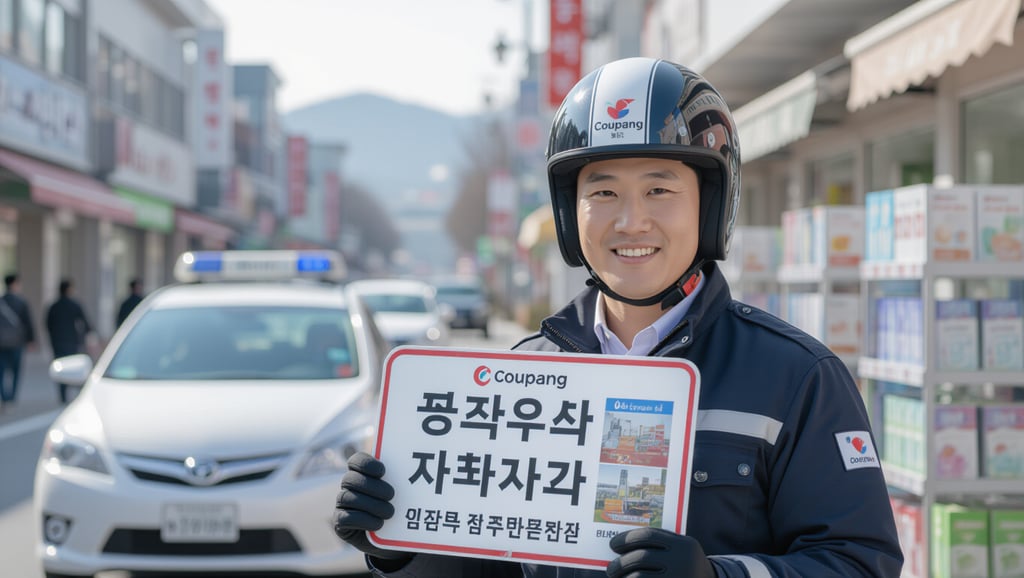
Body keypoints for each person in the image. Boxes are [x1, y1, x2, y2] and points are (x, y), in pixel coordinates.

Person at [333, 57, 903, 577]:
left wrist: (720, 576)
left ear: (710, 206)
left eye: (660, 189)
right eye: (602, 193)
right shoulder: (522, 378)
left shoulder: (796, 377)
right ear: (568, 213)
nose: (631, 221)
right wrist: (400, 541)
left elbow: (860, 562)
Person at [46, 278, 93, 404]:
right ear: (69, 289)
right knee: (73, 366)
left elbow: (48, 325)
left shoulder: (53, 306)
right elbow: (86, 323)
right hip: (72, 341)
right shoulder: (74, 305)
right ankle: (76, 393)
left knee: (60, 367)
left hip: (57, 342)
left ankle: (62, 395)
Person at [0, 273, 37, 406]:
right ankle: (12, 398)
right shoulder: (21, 302)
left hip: (2, 342)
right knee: (16, 370)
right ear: (15, 284)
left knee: (1, 370)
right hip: (16, 341)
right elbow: (28, 323)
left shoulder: (1, 301)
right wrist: (31, 340)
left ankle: (4, 397)